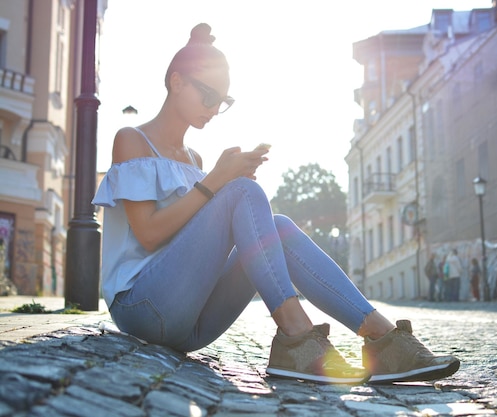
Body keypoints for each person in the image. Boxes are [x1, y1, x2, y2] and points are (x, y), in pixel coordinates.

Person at [92, 23, 459, 385]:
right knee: (241, 192)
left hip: (191, 323)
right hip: (141, 308)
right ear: (176, 82)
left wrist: (225, 187)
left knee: (278, 226)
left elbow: (196, 246)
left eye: (223, 101)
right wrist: (220, 183)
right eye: (209, 96)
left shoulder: (195, 158)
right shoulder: (132, 140)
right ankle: (295, 333)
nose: (215, 107)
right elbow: (151, 235)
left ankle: (380, 337)